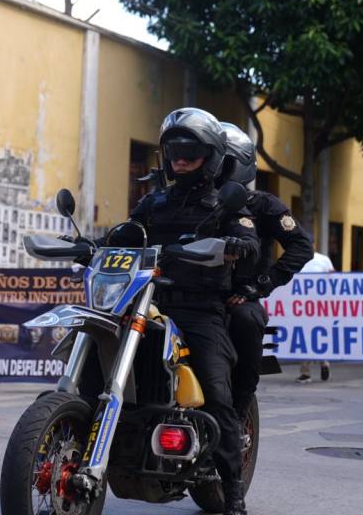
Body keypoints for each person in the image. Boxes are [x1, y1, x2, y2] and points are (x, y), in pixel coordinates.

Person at [125, 108, 260, 515]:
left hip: (199, 311)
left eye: (191, 151)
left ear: (213, 156)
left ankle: (233, 492)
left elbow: (250, 241)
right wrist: (95, 243)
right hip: (148, 303)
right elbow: (127, 233)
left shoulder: (226, 204)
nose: (180, 159)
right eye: (174, 150)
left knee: (218, 396)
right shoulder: (153, 203)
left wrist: (238, 246)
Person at [217, 122, 314, 412]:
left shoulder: (263, 206)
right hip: (192, 291)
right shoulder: (190, 201)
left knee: (247, 320)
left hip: (238, 296)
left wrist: (261, 284)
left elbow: (302, 245)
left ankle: (238, 409)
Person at [294, 253, 335, 383]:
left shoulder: (323, 259)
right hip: (302, 305)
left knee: (317, 335)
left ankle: (322, 364)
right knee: (304, 336)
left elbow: (333, 278)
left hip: (320, 306)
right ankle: (307, 371)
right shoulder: (295, 257)